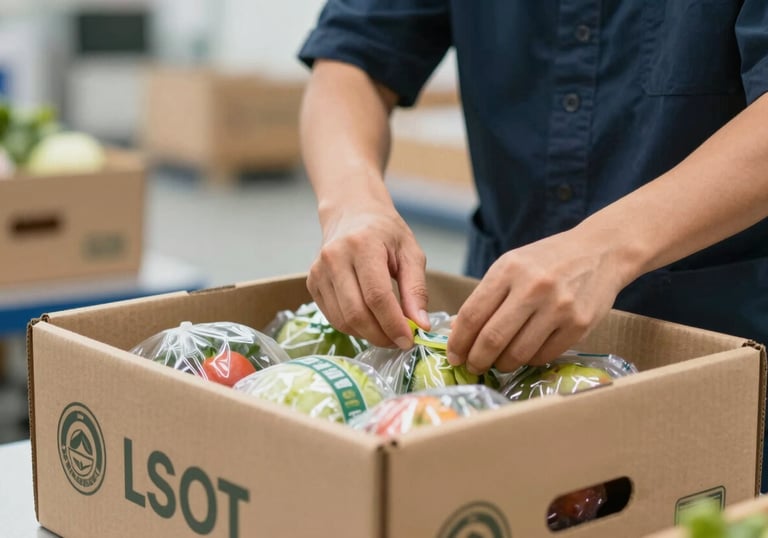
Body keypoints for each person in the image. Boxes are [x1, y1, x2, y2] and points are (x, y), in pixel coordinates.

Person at [297, 1, 768, 485]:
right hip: (492, 341)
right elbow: (352, 55)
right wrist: (353, 201)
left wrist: (608, 246)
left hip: (717, 345)